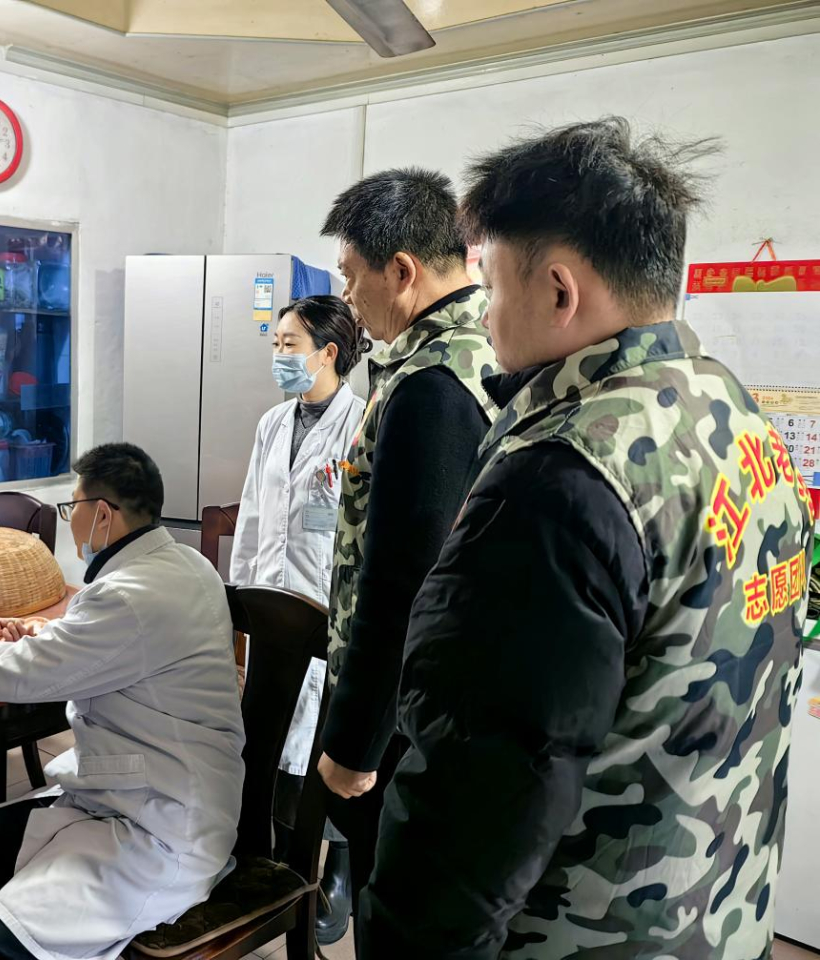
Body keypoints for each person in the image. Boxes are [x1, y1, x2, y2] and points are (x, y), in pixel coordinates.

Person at [362, 118, 815, 958]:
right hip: (719, 915)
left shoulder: (564, 479)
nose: (486, 315)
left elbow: (478, 801)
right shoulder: (736, 415)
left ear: (559, 291)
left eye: (491, 285)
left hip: (582, 934)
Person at [0, 443, 245, 960]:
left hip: (162, 827)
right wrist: (50, 634)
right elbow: (117, 645)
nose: (71, 520)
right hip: (138, 790)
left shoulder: (128, 595)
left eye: (71, 507)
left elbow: (20, 676)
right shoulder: (182, 564)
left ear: (102, 513)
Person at [314, 168, 499, 951]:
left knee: (392, 903)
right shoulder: (487, 348)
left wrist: (355, 742)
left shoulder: (432, 385)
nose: (346, 296)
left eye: (351, 275)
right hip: (449, 697)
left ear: (401, 270)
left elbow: (403, 581)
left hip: (410, 716)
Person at [228, 294, 366, 942]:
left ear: (327, 352)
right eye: (276, 345)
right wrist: (240, 603)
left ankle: (333, 868)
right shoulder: (272, 423)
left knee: (322, 749)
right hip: (271, 609)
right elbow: (254, 514)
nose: (279, 356)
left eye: (289, 345)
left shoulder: (360, 423)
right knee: (266, 738)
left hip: (327, 616)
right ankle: (267, 859)